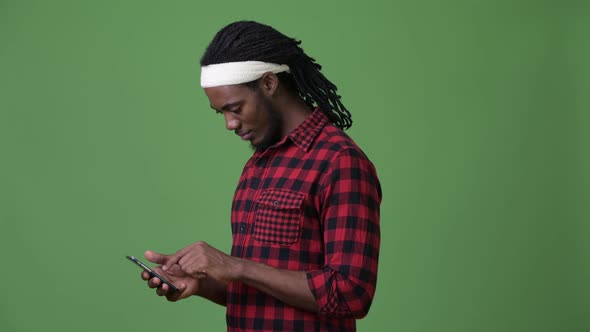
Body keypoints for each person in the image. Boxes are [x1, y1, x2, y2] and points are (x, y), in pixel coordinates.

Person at [140, 21, 382, 331]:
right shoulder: (259, 164)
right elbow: (262, 293)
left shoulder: (340, 162)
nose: (229, 123)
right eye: (221, 113)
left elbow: (351, 294)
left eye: (235, 108)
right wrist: (202, 285)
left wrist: (235, 266)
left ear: (268, 84)